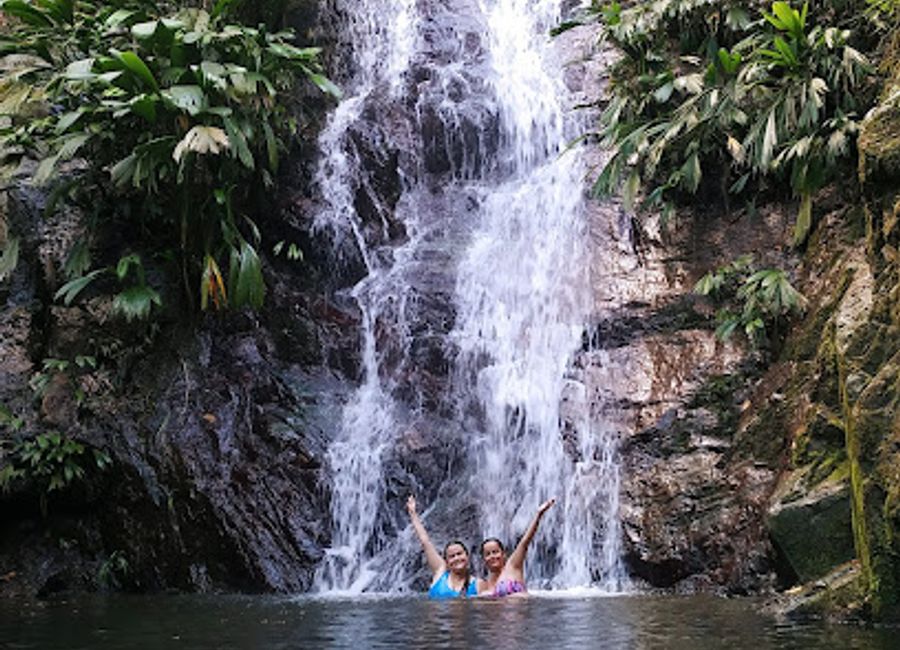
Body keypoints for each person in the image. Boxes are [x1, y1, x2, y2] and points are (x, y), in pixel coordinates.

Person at [478, 498, 555, 597]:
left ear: (503, 554)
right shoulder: (483, 584)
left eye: (495, 552)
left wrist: (538, 514)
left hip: (520, 610)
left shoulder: (513, 565)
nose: (492, 556)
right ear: (483, 559)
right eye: (488, 554)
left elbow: (524, 542)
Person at [406, 495, 477, 599]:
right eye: (452, 556)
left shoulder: (477, 584)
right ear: (446, 561)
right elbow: (425, 542)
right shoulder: (440, 571)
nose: (456, 558)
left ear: (467, 556)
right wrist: (412, 513)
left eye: (459, 554)